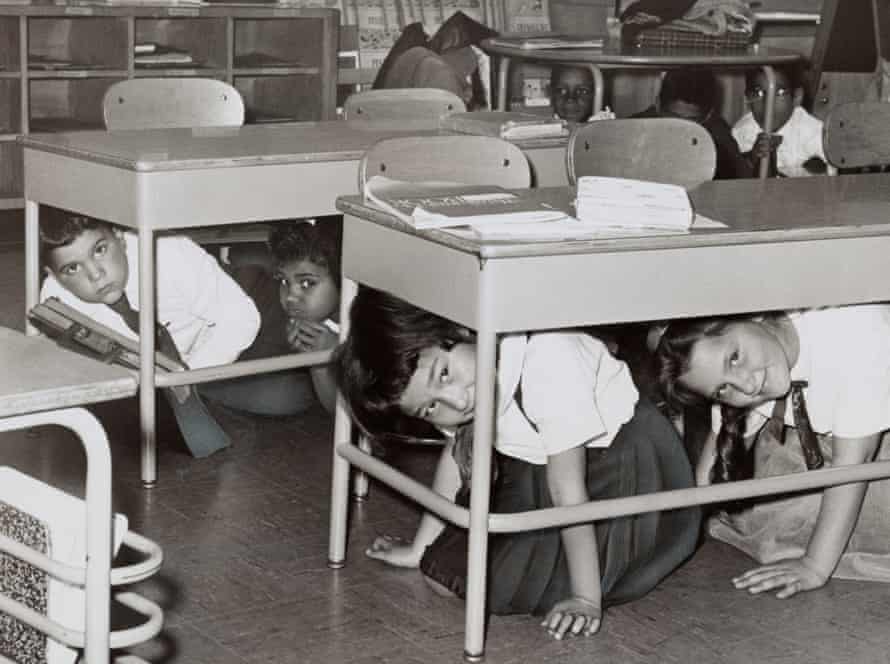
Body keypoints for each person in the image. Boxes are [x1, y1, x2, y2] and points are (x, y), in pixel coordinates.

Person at [334, 287, 700, 640]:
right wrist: (420, 548)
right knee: (441, 572)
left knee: (487, 581)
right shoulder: (468, 379)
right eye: (430, 408)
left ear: (459, 327)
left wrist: (586, 598)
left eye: (443, 374)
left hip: (619, 469)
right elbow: (456, 458)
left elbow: (567, 490)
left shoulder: (547, 356)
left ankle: (583, 574)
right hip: (539, 469)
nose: (457, 402)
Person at [651, 305, 890, 598]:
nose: (747, 385)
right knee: (756, 508)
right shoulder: (757, 356)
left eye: (734, 357)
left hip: (864, 456)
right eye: (722, 389)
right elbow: (708, 476)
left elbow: (853, 465)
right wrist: (674, 532)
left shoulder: (858, 332)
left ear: (754, 314)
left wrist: (814, 566)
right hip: (838, 450)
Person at [39, 206, 260, 457]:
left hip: (214, 339)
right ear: (54, 277)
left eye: (100, 250)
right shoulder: (55, 301)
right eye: (72, 269)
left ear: (119, 237)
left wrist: (187, 376)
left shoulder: (169, 252)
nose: (96, 274)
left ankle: (252, 266)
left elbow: (241, 318)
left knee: (281, 396)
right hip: (149, 378)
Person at [208, 219, 341, 414]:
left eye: (307, 283)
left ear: (342, 278)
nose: (291, 296)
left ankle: (197, 384)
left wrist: (320, 362)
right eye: (284, 281)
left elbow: (341, 414)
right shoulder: (292, 309)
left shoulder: (363, 324)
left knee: (290, 395)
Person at [633, 68, 752, 179]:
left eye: (691, 122)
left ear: (708, 116)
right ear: (657, 105)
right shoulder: (634, 129)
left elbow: (739, 180)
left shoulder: (718, 134)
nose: (681, 130)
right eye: (674, 119)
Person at [732, 64, 836, 177]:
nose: (768, 103)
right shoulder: (742, 131)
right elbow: (732, 175)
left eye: (779, 93)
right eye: (758, 93)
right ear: (748, 98)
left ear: (796, 97)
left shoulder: (814, 132)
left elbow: (833, 176)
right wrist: (751, 159)